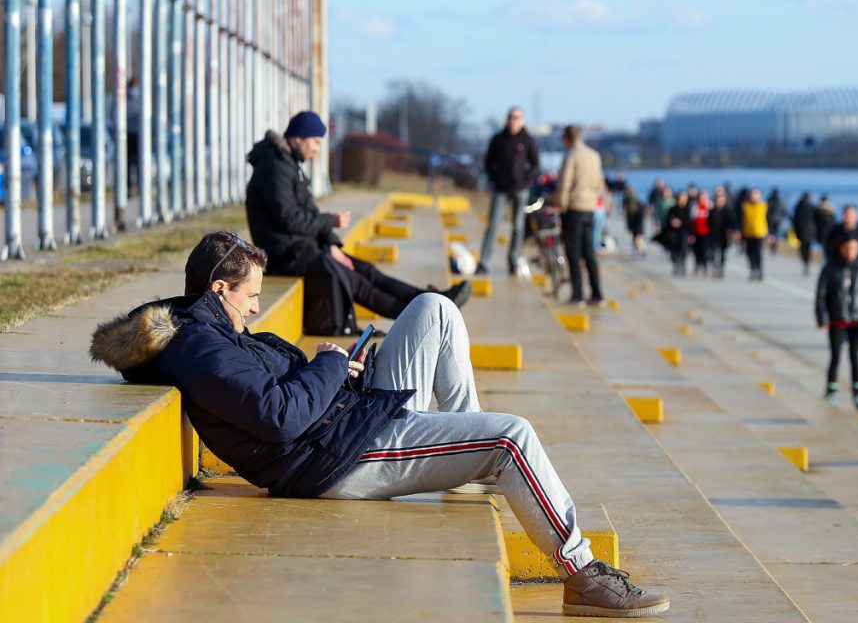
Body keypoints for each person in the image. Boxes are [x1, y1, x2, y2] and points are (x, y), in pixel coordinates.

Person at [88, 232, 668, 618]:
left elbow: (284, 394)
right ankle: (582, 574)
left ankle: (465, 454)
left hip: (347, 418)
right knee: (511, 436)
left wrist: (341, 371)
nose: (257, 307)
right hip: (335, 459)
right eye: (251, 296)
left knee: (434, 309)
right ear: (219, 289)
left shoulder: (214, 330)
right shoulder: (204, 348)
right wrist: (331, 364)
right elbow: (280, 418)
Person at [245, 111, 468, 336]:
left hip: (303, 247)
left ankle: (433, 299)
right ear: (297, 138)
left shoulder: (288, 164)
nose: (317, 149)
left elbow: (309, 211)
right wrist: (330, 221)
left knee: (368, 271)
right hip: (285, 254)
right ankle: (425, 315)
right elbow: (290, 219)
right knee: (358, 282)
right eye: (315, 142)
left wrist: (332, 244)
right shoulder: (273, 169)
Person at [815, 236, 858, 411]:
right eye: (847, 249)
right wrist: (822, 318)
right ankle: (831, 389)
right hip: (836, 319)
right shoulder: (830, 268)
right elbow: (821, 295)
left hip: (857, 319)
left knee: (855, 357)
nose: (850, 253)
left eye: (854, 249)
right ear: (840, 249)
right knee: (835, 356)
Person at [479, 107, 540, 276]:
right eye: (510, 117)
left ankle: (513, 260)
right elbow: (488, 161)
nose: (513, 121)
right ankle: (484, 262)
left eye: (516, 118)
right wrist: (494, 178)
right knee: (493, 224)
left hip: (520, 189)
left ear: (522, 120)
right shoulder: (498, 139)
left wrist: (526, 179)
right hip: (501, 188)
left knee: (518, 226)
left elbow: (535, 164)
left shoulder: (527, 140)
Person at [552, 125, 606, 306]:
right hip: (589, 208)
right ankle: (597, 294)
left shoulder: (571, 156)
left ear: (566, 139)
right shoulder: (594, 155)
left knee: (573, 253)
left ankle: (578, 295)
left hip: (573, 209)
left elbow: (565, 183)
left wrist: (560, 205)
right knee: (589, 253)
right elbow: (599, 183)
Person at [739, 188, 769, 280]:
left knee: (758, 253)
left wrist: (770, 233)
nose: (754, 197)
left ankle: (759, 270)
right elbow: (740, 220)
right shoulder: (745, 206)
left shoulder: (763, 206)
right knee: (749, 253)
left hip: (759, 233)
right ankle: (752, 269)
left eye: (756, 195)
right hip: (747, 233)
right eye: (752, 195)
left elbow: (769, 219)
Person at [659, 191, 691, 276]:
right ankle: (675, 266)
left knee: (683, 251)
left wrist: (691, 234)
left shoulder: (688, 209)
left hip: (684, 233)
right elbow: (667, 219)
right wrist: (672, 221)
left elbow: (690, 222)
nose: (683, 200)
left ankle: (682, 267)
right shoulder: (673, 209)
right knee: (674, 251)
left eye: (685, 198)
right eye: (682, 198)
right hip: (674, 233)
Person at [708, 189, 734, 279]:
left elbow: (732, 223)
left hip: (724, 236)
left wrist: (733, 232)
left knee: (722, 253)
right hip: (713, 235)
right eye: (718, 199)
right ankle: (715, 267)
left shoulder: (727, 211)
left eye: (722, 200)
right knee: (713, 252)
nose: (720, 202)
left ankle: (721, 268)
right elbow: (708, 223)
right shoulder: (712, 211)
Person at [791, 192, 817, 276]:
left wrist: (795, 230)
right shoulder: (812, 207)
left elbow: (794, 220)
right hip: (810, 231)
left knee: (802, 247)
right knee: (808, 247)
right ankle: (807, 262)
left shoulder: (798, 207)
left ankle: (805, 261)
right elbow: (817, 219)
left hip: (801, 231)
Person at [690, 190, 713, 277]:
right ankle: (697, 267)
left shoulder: (710, 206)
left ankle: (705, 267)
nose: (703, 199)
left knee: (704, 250)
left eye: (704, 197)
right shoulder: (695, 207)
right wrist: (691, 233)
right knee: (696, 251)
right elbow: (692, 220)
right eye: (701, 197)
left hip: (706, 233)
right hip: (696, 232)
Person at [622, 186, 647, 257]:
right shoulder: (626, 200)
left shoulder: (636, 200)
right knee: (635, 237)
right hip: (632, 221)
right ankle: (640, 250)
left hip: (637, 221)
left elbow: (642, 212)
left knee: (638, 237)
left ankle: (642, 249)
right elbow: (625, 211)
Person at [765, 188, 785, 255]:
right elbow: (784, 210)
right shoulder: (780, 200)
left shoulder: (769, 200)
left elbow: (765, 210)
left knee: (771, 234)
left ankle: (772, 247)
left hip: (770, 220)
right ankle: (774, 247)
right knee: (776, 234)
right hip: (778, 220)